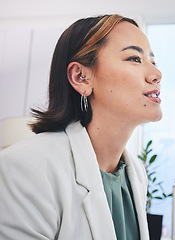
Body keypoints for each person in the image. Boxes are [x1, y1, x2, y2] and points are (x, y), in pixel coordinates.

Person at [0, 14, 162, 240]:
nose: (156, 75)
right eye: (134, 58)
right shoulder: (25, 167)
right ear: (81, 77)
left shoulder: (135, 172)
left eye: (153, 62)